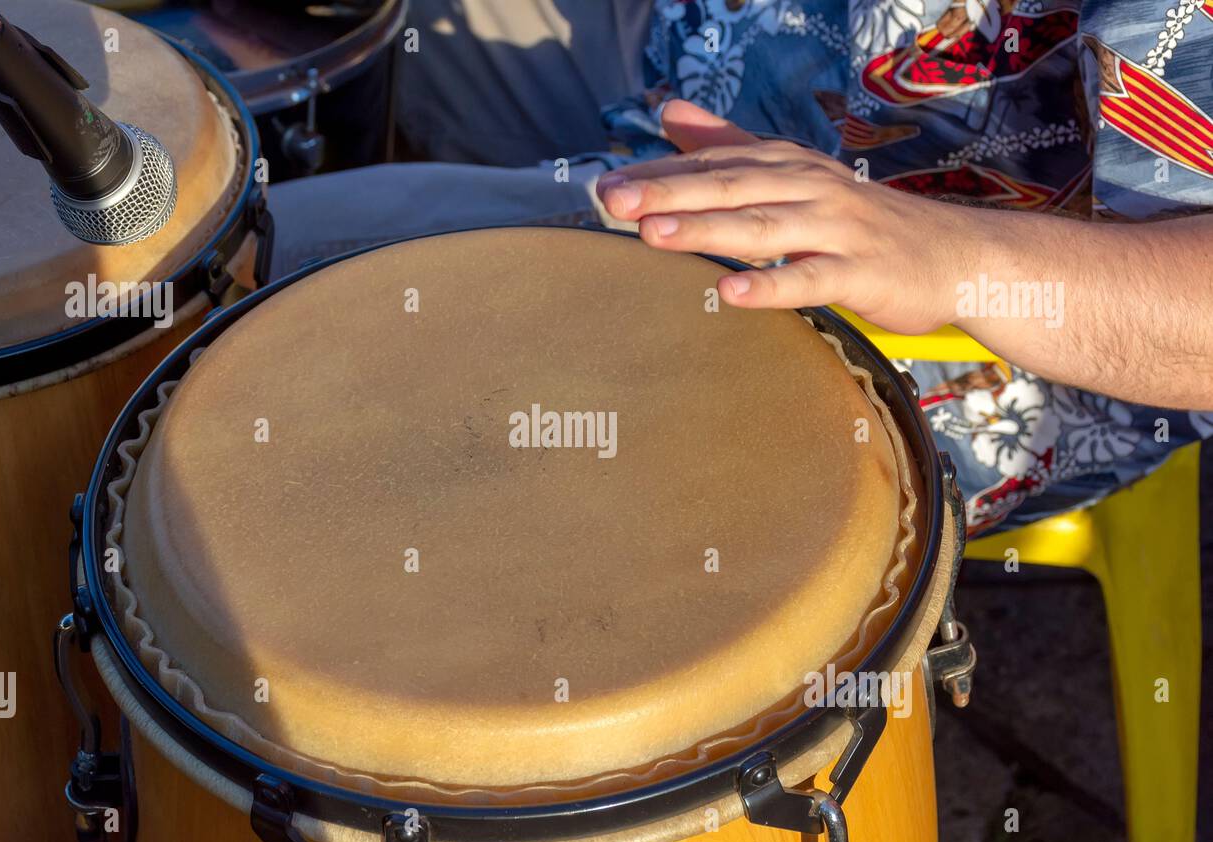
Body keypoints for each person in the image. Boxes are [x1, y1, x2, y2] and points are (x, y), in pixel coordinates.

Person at [269, 0, 1212, 535]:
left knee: (232, 273)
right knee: (297, 47)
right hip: (705, 41)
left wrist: (953, 256)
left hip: (935, 292)